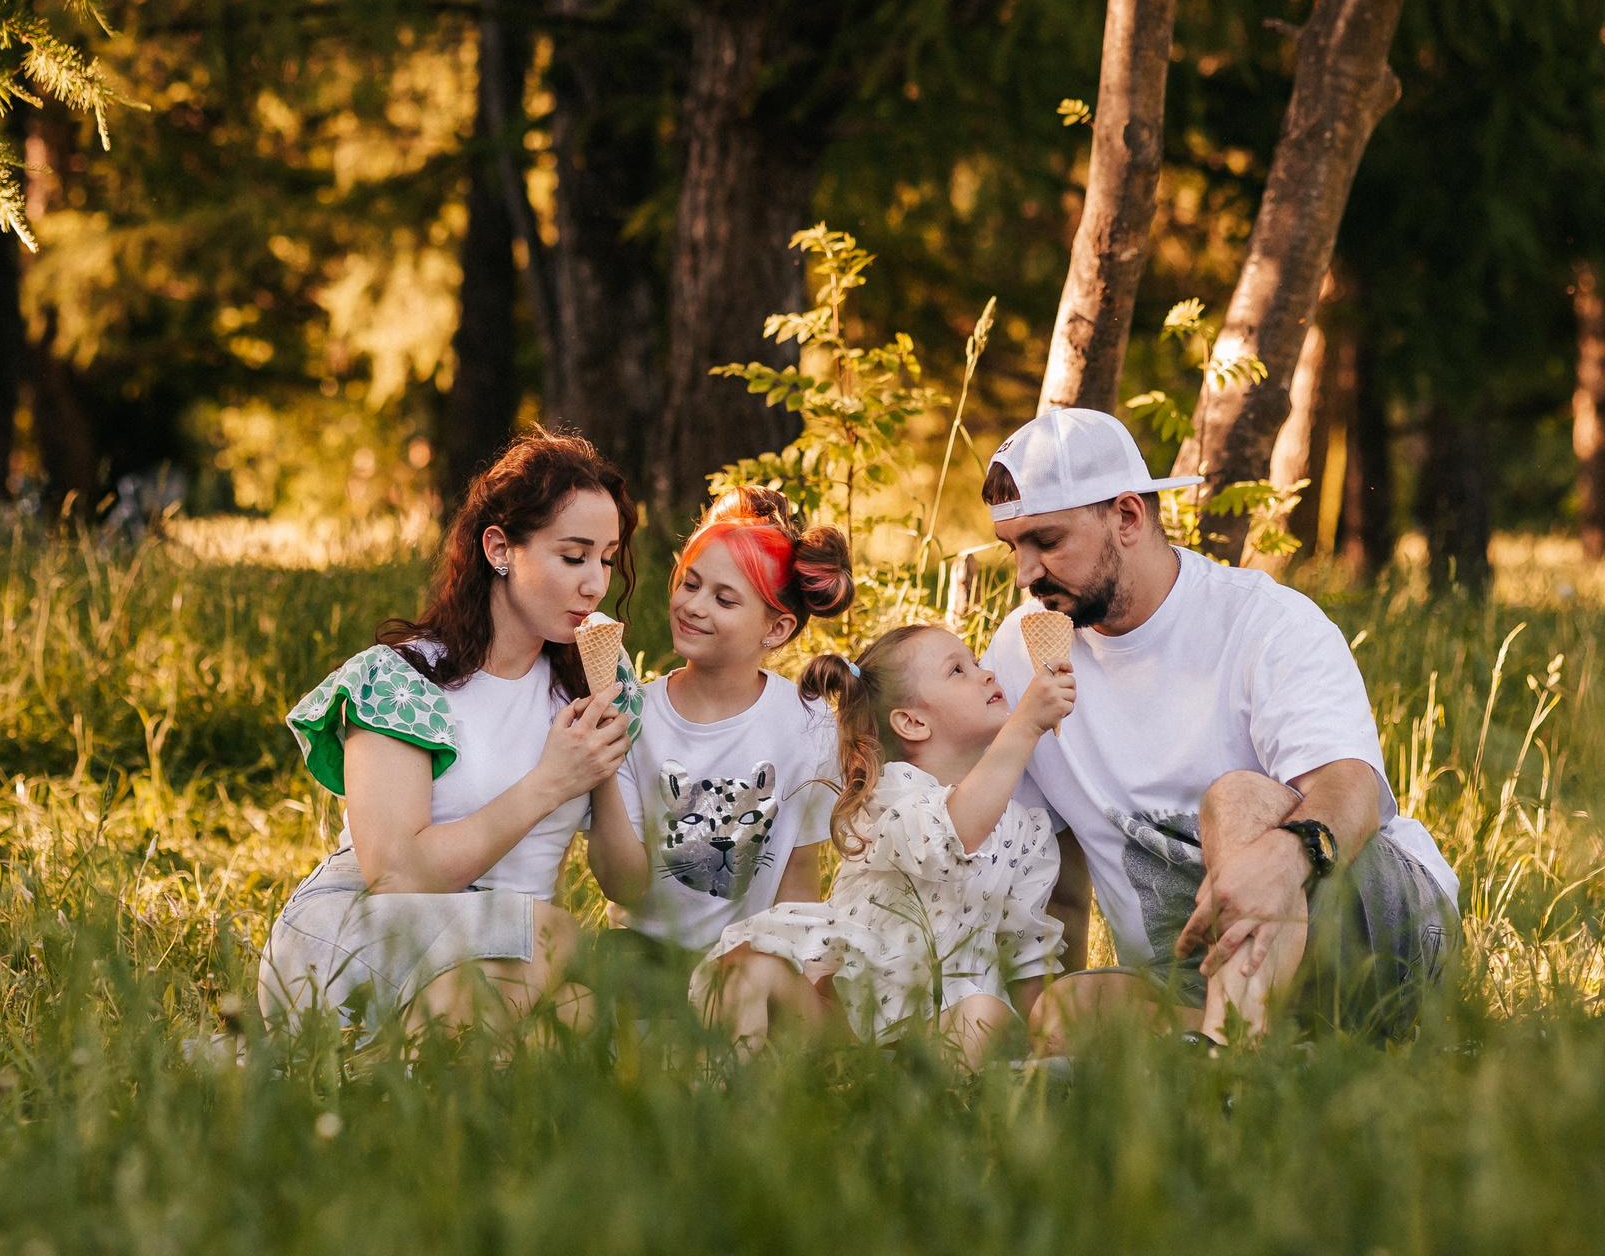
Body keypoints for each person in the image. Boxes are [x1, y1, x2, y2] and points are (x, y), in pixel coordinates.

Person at [978, 407, 1459, 1047]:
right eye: (1015, 548)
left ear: (1126, 517)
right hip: (1192, 977)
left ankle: (1229, 1064)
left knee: (1237, 797)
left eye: (1048, 541)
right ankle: (1270, 1049)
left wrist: (1288, 857)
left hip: (1373, 929)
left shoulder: (1266, 622)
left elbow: (1351, 789)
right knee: (1065, 1013)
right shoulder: (1022, 654)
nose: (1025, 574)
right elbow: (1048, 868)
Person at [257, 429, 642, 1040]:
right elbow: (398, 876)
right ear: (499, 549)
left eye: (605, 558)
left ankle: (391, 1076)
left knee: (578, 1019)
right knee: (556, 936)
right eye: (573, 557)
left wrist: (607, 767)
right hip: (366, 931)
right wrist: (551, 782)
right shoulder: (401, 680)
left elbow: (628, 885)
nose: (596, 583)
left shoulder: (593, 682)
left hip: (512, 958)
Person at [692, 623, 1075, 1069]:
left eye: (978, 662)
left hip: (943, 1025)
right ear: (912, 723)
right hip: (844, 1023)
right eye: (958, 670)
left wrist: (1046, 1035)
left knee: (985, 1015)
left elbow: (1023, 955)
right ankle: (722, 1092)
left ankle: (882, 1092)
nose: (986, 673)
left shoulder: (1028, 832)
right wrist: (1026, 727)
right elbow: (948, 837)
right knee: (747, 969)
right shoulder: (888, 795)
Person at [587, 487, 856, 957]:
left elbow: (798, 881)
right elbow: (622, 886)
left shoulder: (806, 723)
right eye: (690, 585)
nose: (693, 605)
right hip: (641, 949)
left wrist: (807, 985)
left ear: (776, 629)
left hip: (748, 956)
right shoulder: (636, 715)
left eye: (725, 600)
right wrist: (603, 764)